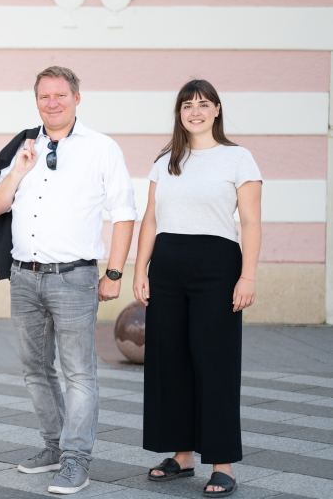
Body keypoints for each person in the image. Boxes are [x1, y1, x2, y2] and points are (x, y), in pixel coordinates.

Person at [0, 66, 136, 495]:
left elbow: (124, 214)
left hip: (74, 279)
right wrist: (19, 171)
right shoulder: (24, 147)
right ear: (36, 101)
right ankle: (52, 446)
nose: (52, 103)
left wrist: (114, 274)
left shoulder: (102, 149)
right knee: (35, 369)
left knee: (78, 373)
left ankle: (76, 460)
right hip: (24, 277)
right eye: (44, 96)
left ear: (77, 98)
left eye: (60, 95)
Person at [133, 79, 262, 499]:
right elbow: (150, 219)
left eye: (203, 104)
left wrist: (248, 276)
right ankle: (182, 455)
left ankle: (221, 463)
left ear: (218, 110)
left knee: (215, 362)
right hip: (168, 264)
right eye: (187, 105)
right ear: (179, 113)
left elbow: (251, 223)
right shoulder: (166, 160)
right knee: (169, 361)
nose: (195, 111)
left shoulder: (238, 158)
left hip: (218, 267)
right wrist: (141, 269)